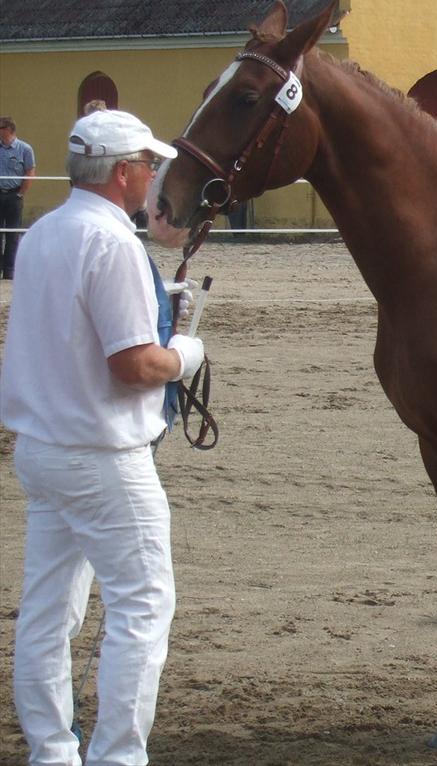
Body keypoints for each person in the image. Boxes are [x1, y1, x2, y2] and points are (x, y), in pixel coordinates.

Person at [0, 109, 206, 766]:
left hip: (41, 446)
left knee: (48, 610)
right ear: (123, 173)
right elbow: (134, 364)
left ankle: (52, 751)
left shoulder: (42, 233)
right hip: (103, 451)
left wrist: (155, 303)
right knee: (143, 604)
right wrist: (186, 355)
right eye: (148, 166)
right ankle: (117, 756)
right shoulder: (113, 243)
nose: (153, 178)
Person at [0, 116, 36, 280]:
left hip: (14, 194)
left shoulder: (24, 149)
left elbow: (30, 172)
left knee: (12, 234)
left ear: (8, 129)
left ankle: (9, 270)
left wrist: (21, 193)